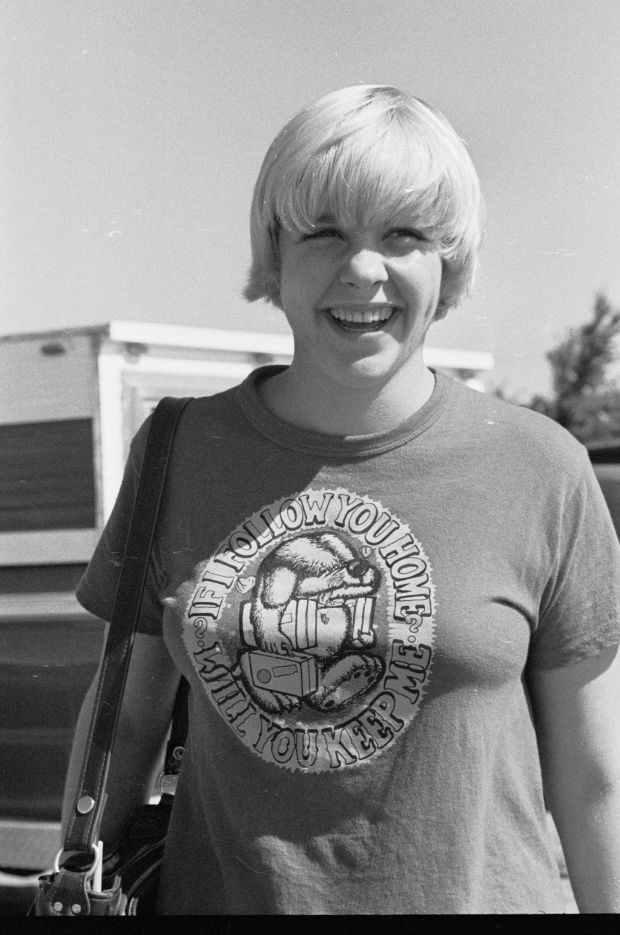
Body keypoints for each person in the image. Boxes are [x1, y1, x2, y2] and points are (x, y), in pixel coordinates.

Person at [63, 85, 620, 914]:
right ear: (275, 253)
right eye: (325, 232)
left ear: (448, 262)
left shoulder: (542, 466)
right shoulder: (179, 449)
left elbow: (596, 780)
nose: (363, 268)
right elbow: (126, 727)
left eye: (404, 234)